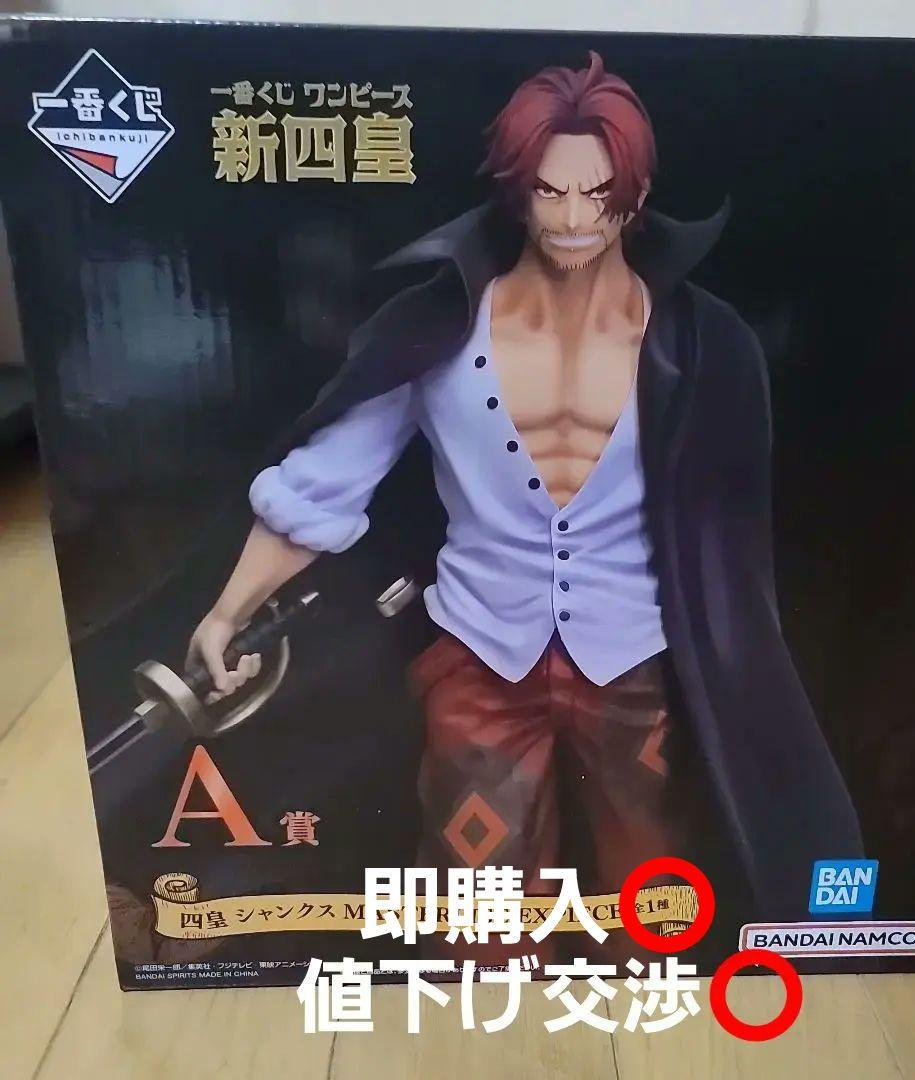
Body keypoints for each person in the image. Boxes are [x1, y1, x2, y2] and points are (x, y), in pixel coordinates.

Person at [188, 52, 862, 961]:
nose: (575, 218)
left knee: (658, 908)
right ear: (517, 192)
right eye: (549, 191)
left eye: (598, 192)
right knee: (480, 918)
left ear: (636, 191)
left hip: (640, 657)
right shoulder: (436, 328)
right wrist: (227, 612)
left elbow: (735, 539)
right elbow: (324, 481)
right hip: (481, 651)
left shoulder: (700, 341)